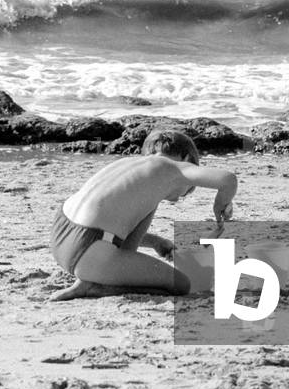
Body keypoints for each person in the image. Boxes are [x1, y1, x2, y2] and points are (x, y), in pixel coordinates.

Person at [50, 129, 237, 301]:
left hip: (61, 236)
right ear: (187, 159)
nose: (179, 198)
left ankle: (94, 276)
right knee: (182, 284)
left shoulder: (128, 164)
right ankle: (96, 287)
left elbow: (108, 224)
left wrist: (155, 242)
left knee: (149, 206)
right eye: (187, 189)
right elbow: (228, 179)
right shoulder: (173, 167)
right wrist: (219, 206)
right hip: (89, 251)